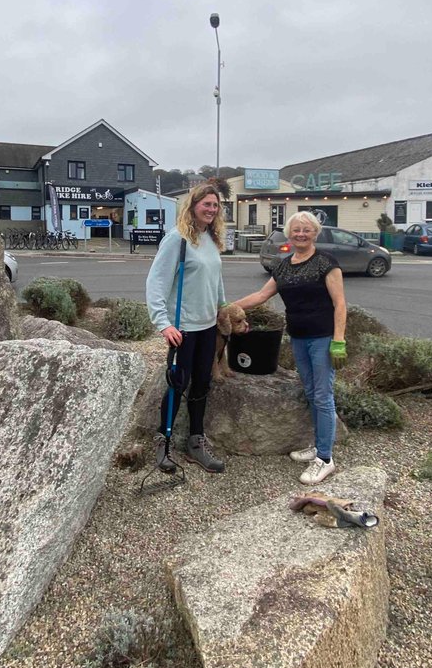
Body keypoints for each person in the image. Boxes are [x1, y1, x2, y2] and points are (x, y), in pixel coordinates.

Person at [232, 210, 347, 486]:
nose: (300, 234)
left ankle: (325, 459)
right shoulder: (283, 266)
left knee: (322, 395)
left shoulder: (326, 263)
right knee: (310, 393)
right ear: (289, 233)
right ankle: (317, 445)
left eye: (306, 230)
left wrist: (339, 341)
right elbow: (261, 295)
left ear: (315, 233)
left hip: (322, 338)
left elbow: (340, 304)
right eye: (296, 230)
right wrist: (230, 306)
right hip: (298, 337)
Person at [145, 182, 226, 474]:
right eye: (206, 204)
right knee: (178, 383)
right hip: (184, 328)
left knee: (202, 384)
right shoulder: (177, 240)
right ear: (192, 206)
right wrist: (163, 323)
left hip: (208, 326)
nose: (211, 209)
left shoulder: (210, 239)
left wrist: (222, 306)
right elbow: (156, 283)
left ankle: (195, 442)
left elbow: (216, 279)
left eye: (215, 205)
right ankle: (163, 440)